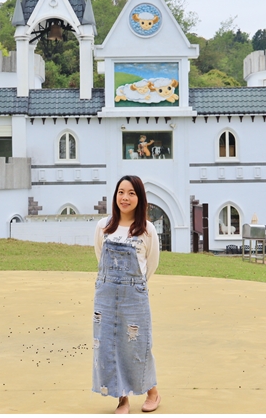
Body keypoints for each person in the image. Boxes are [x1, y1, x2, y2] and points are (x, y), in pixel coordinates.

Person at [93, 175, 162, 413]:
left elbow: (150, 265)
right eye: (121, 192)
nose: (125, 197)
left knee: (138, 345)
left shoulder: (147, 230)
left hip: (135, 296)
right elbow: (100, 257)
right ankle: (122, 398)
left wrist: (131, 285)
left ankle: (152, 392)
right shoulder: (103, 226)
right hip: (106, 294)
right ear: (115, 196)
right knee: (109, 345)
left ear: (139, 198)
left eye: (131, 193)